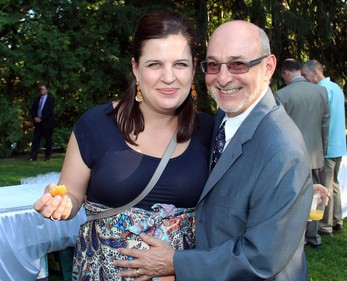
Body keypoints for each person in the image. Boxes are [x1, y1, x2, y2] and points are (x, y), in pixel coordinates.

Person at [115, 20, 313, 281]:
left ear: (268, 67)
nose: (222, 77)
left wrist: (176, 263)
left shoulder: (282, 150)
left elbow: (261, 259)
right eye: (213, 65)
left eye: (238, 64)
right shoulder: (225, 116)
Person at [33, 12, 213, 281]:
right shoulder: (94, 125)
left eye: (180, 64)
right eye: (154, 64)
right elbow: (71, 194)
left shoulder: (211, 132)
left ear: (193, 67)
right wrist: (60, 203)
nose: (168, 77)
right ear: (135, 68)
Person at [275, 58, 330, 248]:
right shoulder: (321, 92)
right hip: (315, 154)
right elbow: (325, 124)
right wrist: (323, 151)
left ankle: (294, 237)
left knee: (293, 195)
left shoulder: (281, 95)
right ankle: (313, 237)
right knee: (315, 197)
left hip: (292, 155)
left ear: (286, 73)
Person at [301, 60, 347, 236]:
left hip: (328, 147)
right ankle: (337, 219)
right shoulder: (336, 87)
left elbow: (321, 120)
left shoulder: (322, 90)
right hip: (339, 145)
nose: (304, 79)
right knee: (334, 184)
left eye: (305, 75)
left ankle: (325, 225)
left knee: (324, 187)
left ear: (315, 73)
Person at [29, 85, 55, 161]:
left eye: (43, 89)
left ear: (47, 90)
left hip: (47, 123)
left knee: (48, 141)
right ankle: (33, 157)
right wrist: (35, 117)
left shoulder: (50, 100)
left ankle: (47, 156)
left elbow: (50, 111)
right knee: (36, 140)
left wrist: (41, 119)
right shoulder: (37, 99)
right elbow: (33, 109)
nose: (41, 90)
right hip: (38, 124)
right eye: (40, 89)